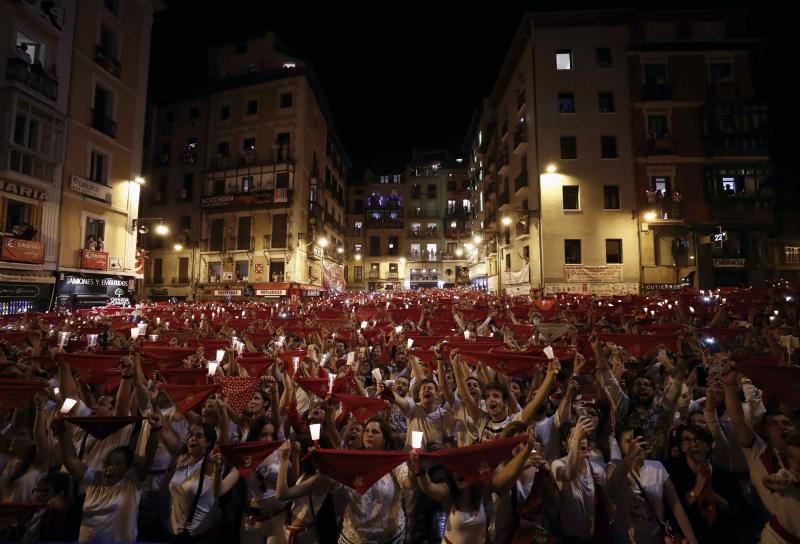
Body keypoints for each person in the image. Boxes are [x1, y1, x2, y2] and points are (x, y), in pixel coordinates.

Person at [55, 413, 162, 543]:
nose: (110, 468)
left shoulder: (132, 482)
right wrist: (62, 429)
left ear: (127, 467)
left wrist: (155, 430)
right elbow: (70, 459)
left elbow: (148, 457)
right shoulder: (93, 479)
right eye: (107, 463)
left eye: (118, 464)